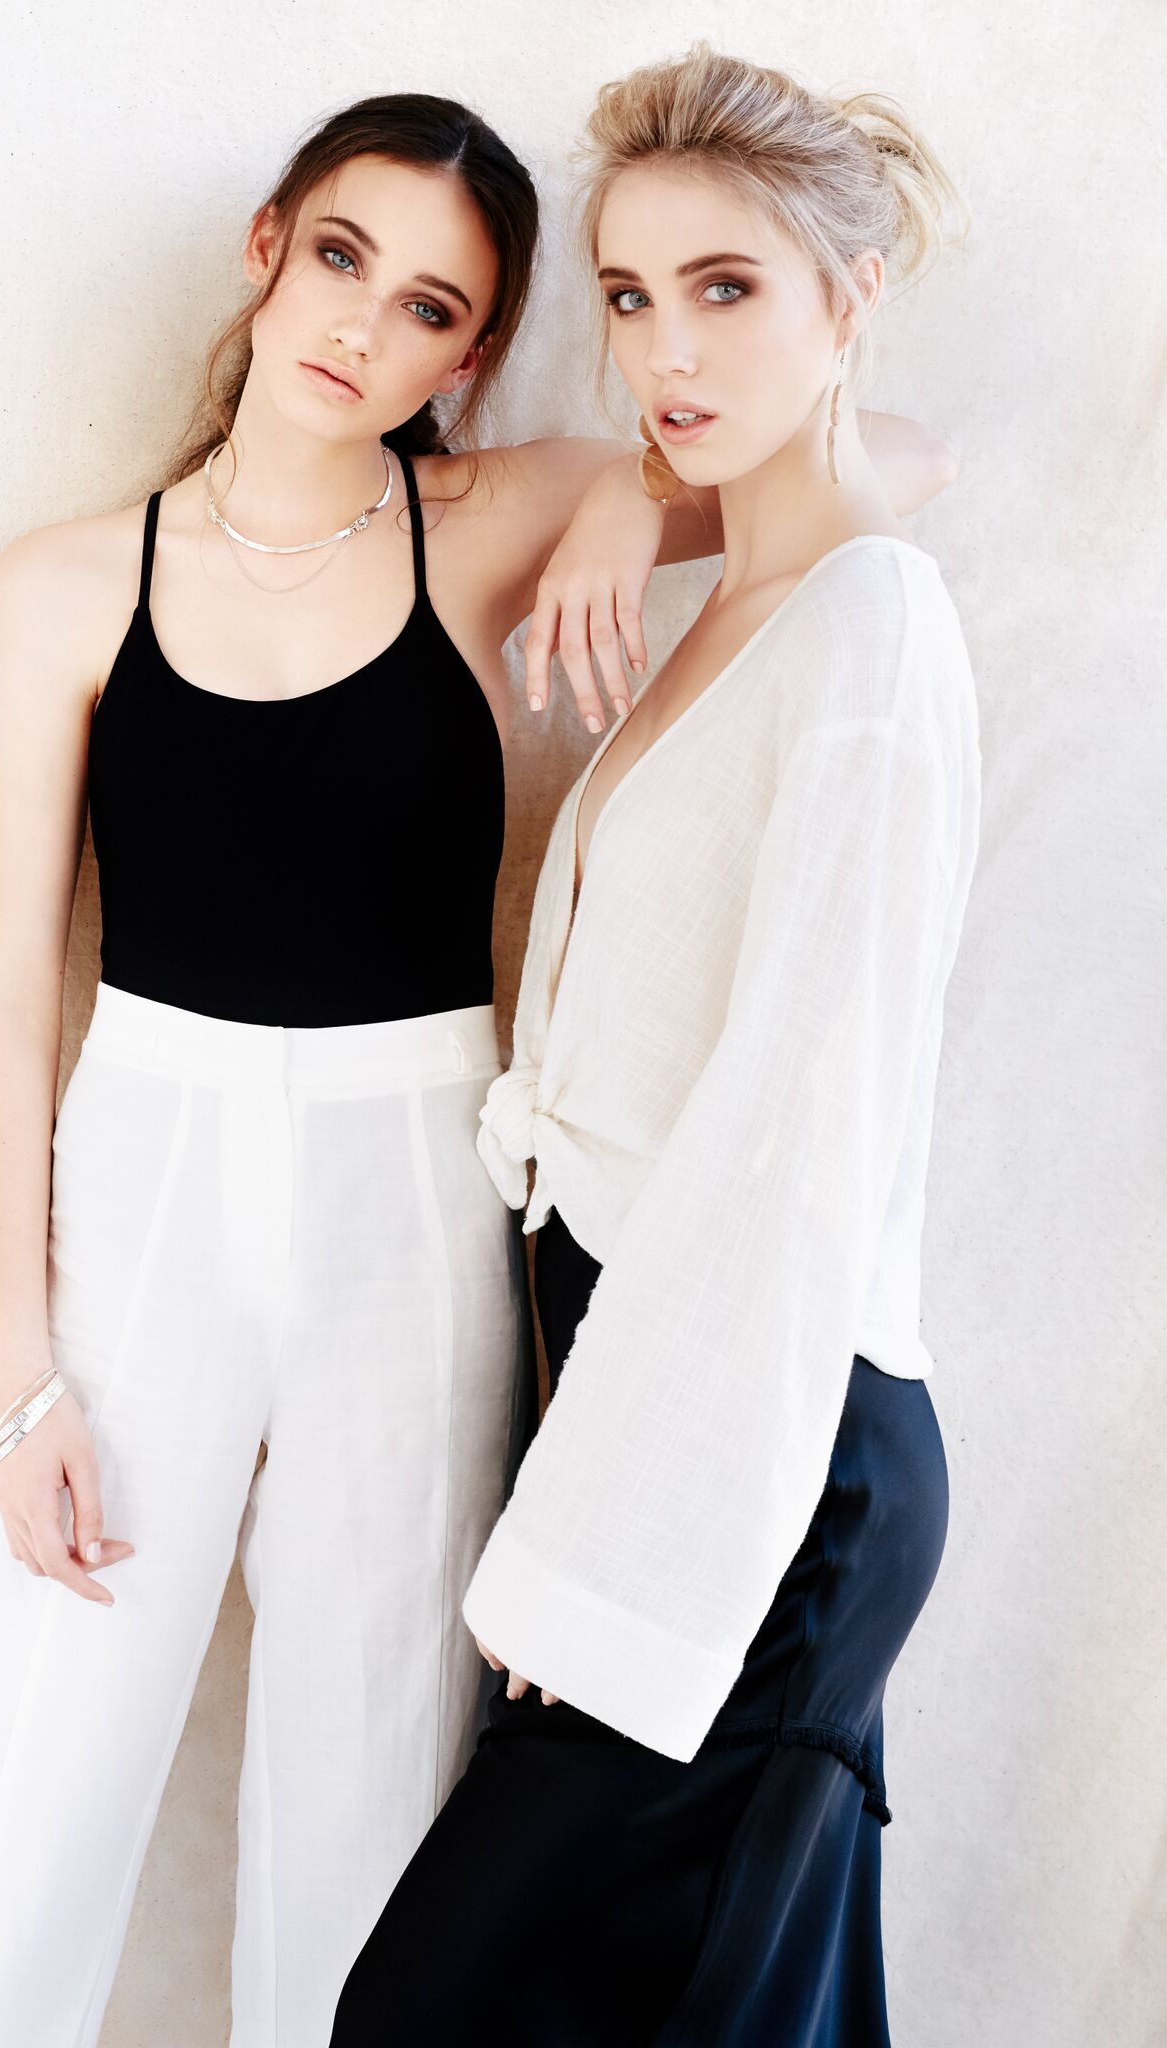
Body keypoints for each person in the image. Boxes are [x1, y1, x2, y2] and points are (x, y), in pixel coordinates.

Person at [0, 87, 954, 2048]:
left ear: (472, 358)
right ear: (266, 249)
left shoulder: (488, 517)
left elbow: (886, 455)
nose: (364, 324)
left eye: (432, 308)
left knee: (375, 1797)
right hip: (146, 1173)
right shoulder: (64, 583)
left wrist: (614, 499)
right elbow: (7, 994)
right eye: (342, 257)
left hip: (418, 1194)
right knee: (5, 1764)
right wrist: (21, 1376)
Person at [332, 47, 981, 2048]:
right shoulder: (742, 607)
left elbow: (791, 1142)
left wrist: (615, 1547)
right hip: (646, 1395)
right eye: (627, 296)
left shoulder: (866, 632)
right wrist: (631, 489)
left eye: (725, 288)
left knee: (434, 2015)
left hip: (756, 1457)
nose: (663, 350)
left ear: (850, 299)